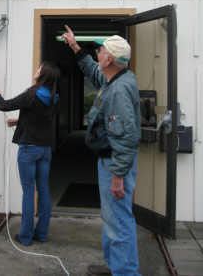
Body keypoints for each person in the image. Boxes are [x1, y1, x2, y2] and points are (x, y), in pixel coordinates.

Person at [62, 26, 141, 276]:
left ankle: (125, 273)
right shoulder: (115, 78)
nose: (98, 51)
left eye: (101, 49)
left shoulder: (118, 90)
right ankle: (115, 266)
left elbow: (126, 138)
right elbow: (93, 72)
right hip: (109, 161)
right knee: (112, 218)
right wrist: (75, 47)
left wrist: (117, 176)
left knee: (118, 220)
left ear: (109, 59)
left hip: (114, 163)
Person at [0, 61, 60, 246]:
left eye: (39, 68)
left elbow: (4, 105)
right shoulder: (54, 97)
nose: (36, 71)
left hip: (29, 150)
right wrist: (17, 122)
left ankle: (26, 237)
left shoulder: (32, 94)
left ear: (43, 74)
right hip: (45, 150)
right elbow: (39, 119)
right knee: (43, 190)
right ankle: (42, 235)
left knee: (29, 191)